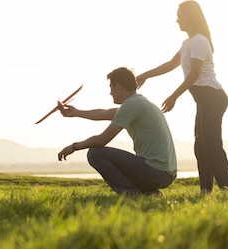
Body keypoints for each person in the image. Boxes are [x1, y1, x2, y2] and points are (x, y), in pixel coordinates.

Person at [136, 0, 228, 193]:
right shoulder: (187, 43)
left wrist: (173, 96)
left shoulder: (199, 40)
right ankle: (206, 188)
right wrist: (145, 75)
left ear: (190, 16)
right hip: (204, 99)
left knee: (211, 143)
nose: (177, 20)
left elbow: (194, 75)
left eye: (180, 15)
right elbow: (170, 64)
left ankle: (227, 187)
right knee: (200, 145)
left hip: (212, 97)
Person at [57, 67, 177, 195]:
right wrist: (76, 113)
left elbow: (101, 140)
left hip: (157, 172)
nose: (110, 93)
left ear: (118, 87)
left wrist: (74, 147)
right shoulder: (139, 102)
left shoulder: (131, 105)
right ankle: (148, 192)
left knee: (95, 153)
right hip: (166, 173)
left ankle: (131, 192)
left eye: (111, 88)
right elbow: (104, 113)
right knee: (101, 153)